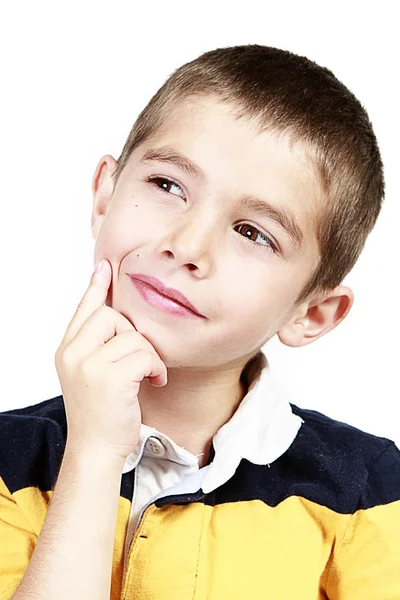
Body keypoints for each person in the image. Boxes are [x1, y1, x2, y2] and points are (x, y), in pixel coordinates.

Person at [1, 43, 399, 600]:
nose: (186, 246)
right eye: (168, 186)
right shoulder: (6, 463)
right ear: (104, 196)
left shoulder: (368, 492)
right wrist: (91, 454)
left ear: (311, 314)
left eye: (253, 232)